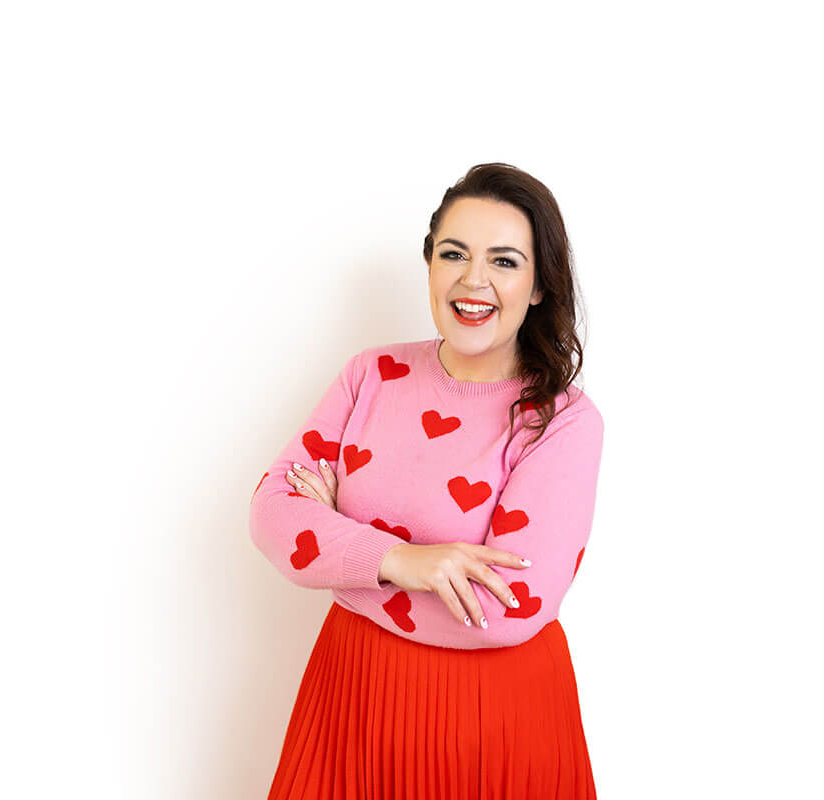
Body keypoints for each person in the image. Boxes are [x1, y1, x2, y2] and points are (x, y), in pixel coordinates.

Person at [249, 162, 605, 798]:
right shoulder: (371, 375)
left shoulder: (563, 420)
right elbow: (273, 513)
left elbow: (507, 608)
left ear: (539, 286)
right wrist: (403, 560)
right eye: (454, 254)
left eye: (504, 261)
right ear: (430, 264)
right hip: (351, 700)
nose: (474, 280)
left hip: (495, 720)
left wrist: (344, 563)